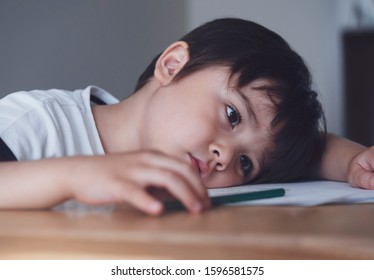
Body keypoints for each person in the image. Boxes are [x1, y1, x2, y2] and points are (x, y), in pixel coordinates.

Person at [0, 18, 372, 215]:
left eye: (245, 163)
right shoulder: (38, 122)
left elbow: (302, 154)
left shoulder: (196, 167)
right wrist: (78, 174)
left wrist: (354, 161)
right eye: (232, 115)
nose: (225, 156)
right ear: (173, 65)